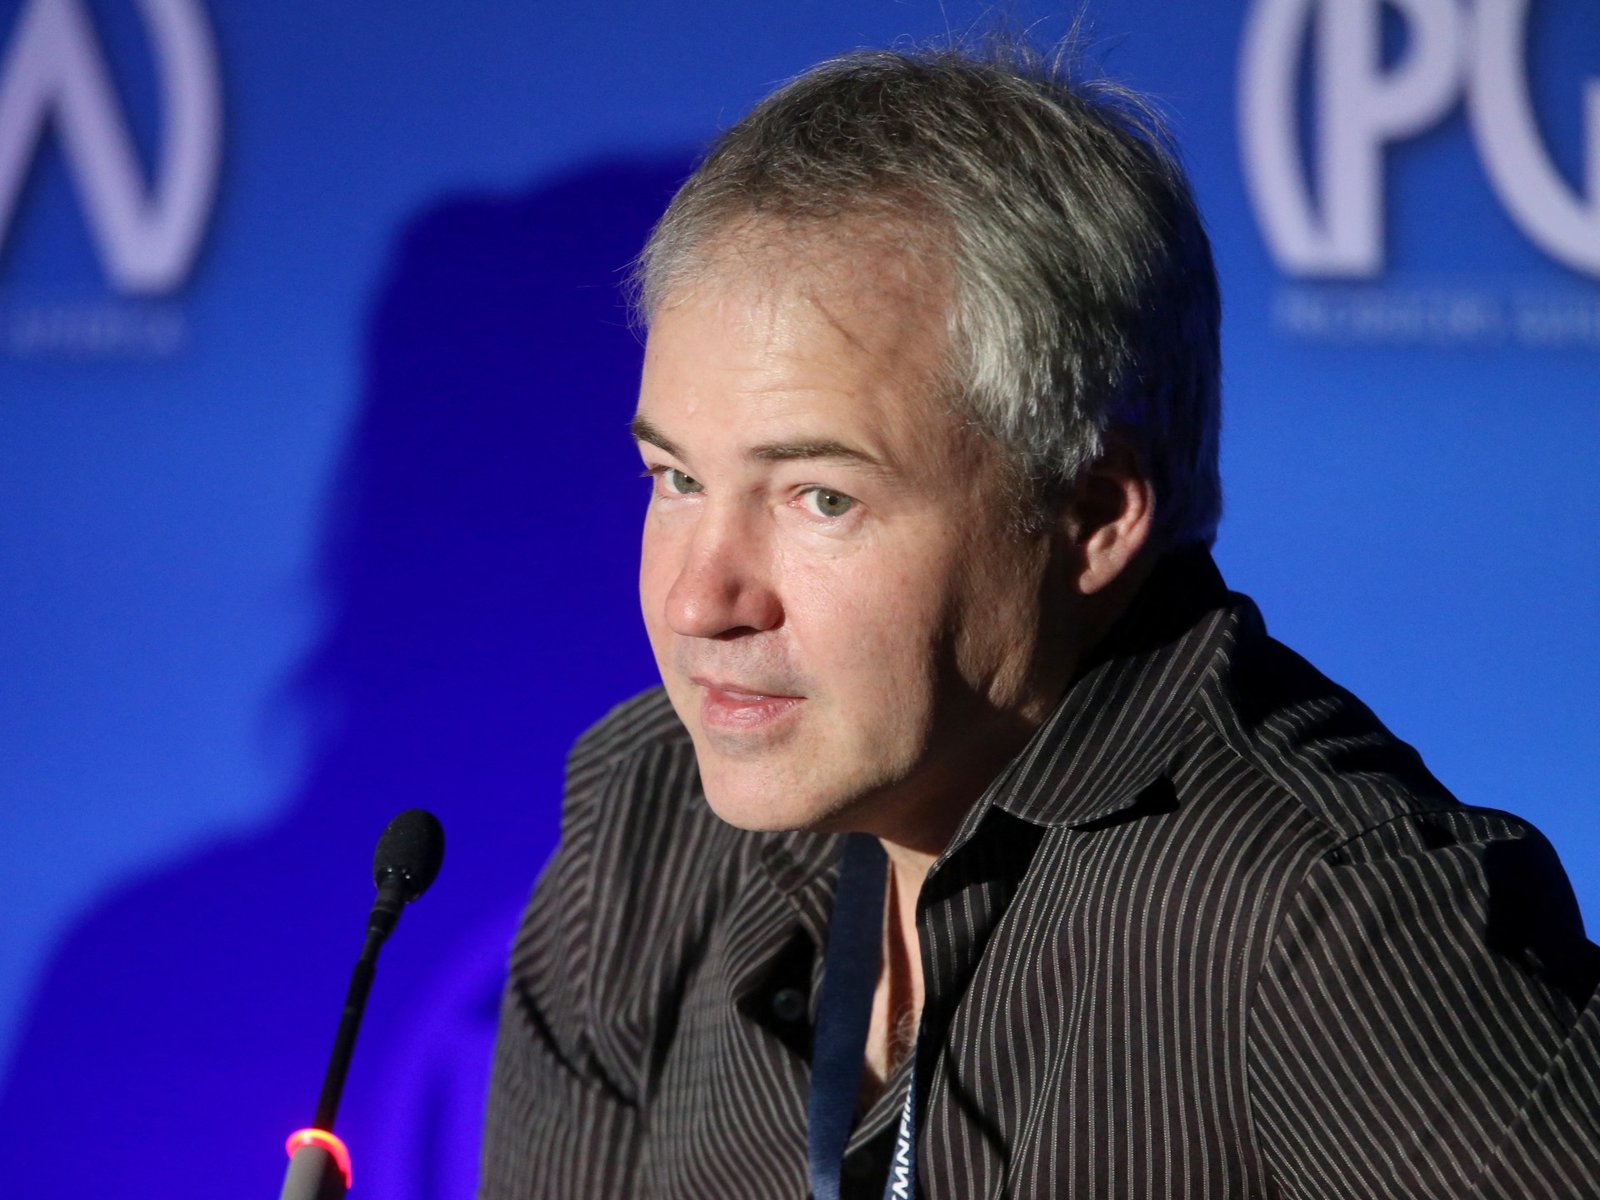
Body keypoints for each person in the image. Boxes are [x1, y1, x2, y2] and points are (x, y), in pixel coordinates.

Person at [479, 43, 1600, 1200]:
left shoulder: (1324, 911)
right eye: (677, 479)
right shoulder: (645, 815)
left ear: (1092, 513)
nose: (697, 600)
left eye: (821, 498)